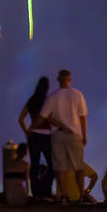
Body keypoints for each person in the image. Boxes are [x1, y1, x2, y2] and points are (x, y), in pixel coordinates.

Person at [40, 69, 88, 199]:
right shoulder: (78, 95)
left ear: (58, 79)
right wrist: (84, 135)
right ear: (69, 79)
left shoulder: (53, 96)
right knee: (79, 166)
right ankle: (81, 195)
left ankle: (64, 196)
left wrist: (57, 122)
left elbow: (44, 116)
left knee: (60, 167)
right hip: (74, 134)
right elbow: (82, 117)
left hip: (57, 134)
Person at [18, 76, 54, 198]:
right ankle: (46, 188)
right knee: (52, 163)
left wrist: (27, 131)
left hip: (33, 136)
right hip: (46, 135)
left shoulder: (31, 100)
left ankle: (35, 192)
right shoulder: (48, 101)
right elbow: (51, 118)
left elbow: (21, 118)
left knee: (34, 164)